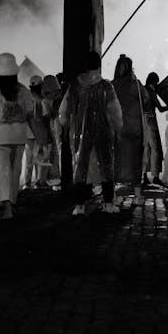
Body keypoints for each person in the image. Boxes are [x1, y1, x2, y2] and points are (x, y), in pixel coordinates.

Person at [59, 51, 123, 215]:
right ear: (98, 65)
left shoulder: (75, 86)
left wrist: (67, 126)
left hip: (79, 132)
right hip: (103, 132)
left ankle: (80, 205)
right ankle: (108, 203)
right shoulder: (106, 86)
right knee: (106, 165)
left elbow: (63, 111)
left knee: (81, 166)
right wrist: (117, 128)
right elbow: (115, 111)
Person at [0, 53, 36, 220]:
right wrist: (39, 138)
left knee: (2, 173)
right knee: (14, 172)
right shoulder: (24, 92)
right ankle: (11, 204)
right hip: (19, 137)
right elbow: (30, 116)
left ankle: (7, 209)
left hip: (0, 137)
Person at [112, 55, 146, 186]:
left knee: (116, 160)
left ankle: (113, 195)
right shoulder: (137, 86)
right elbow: (146, 101)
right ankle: (137, 194)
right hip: (135, 129)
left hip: (117, 129)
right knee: (135, 161)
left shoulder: (111, 86)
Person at [26, 75, 53, 189]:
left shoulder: (27, 100)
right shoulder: (42, 101)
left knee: (29, 158)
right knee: (41, 157)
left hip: (27, 133)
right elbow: (46, 119)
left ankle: (27, 183)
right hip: (39, 133)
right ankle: (39, 181)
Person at [142, 72, 167, 188]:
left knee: (145, 149)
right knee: (156, 149)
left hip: (142, 121)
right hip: (151, 120)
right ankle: (156, 177)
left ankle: (144, 177)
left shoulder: (142, 90)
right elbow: (161, 109)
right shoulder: (151, 92)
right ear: (153, 82)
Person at [41, 75, 63, 186]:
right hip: (63, 122)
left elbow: (47, 115)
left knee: (58, 150)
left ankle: (57, 176)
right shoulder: (61, 94)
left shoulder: (45, 98)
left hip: (54, 123)